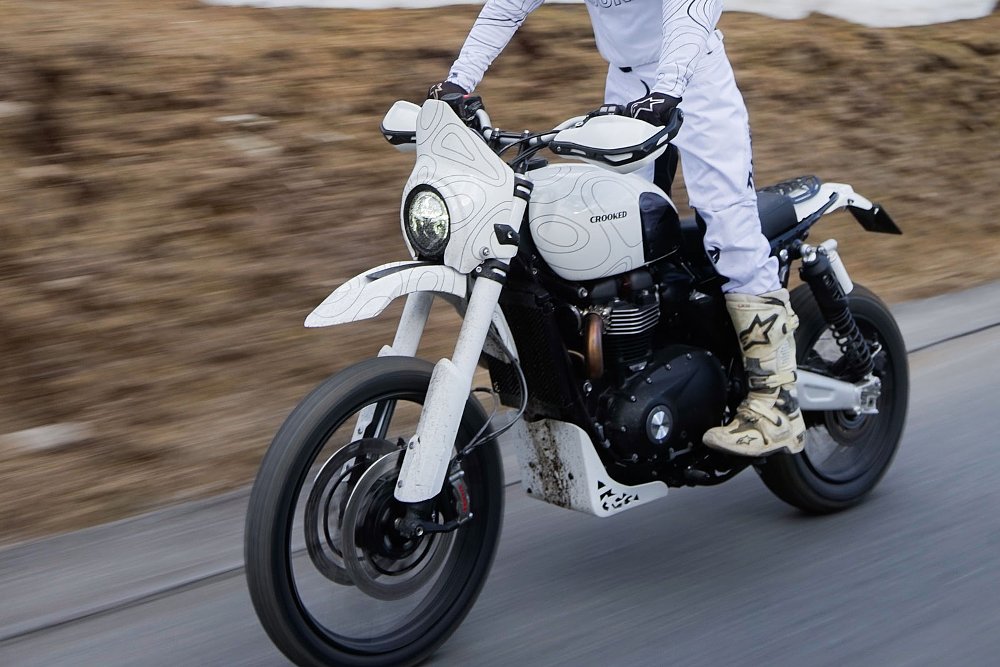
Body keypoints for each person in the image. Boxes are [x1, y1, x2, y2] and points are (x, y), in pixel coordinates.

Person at [428, 0, 805, 458]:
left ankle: (777, 401)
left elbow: (690, 11)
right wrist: (457, 83)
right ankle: (635, 372)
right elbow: (508, 7)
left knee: (730, 228)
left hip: (695, 77)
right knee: (614, 233)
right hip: (628, 85)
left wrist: (668, 90)